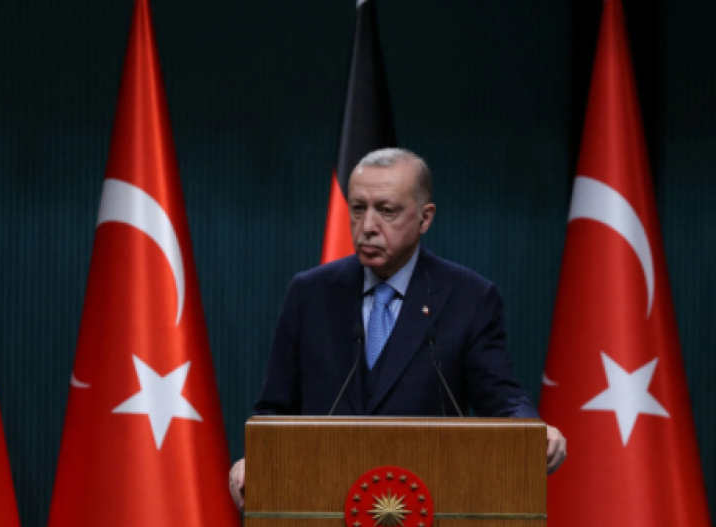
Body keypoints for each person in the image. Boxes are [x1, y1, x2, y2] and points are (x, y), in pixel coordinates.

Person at [229, 148, 566, 508]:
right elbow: (274, 410)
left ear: (425, 218)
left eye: (386, 211)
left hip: (427, 510)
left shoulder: (469, 297)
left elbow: (499, 396)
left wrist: (533, 431)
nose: (368, 226)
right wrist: (257, 459)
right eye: (358, 209)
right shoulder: (311, 293)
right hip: (322, 509)